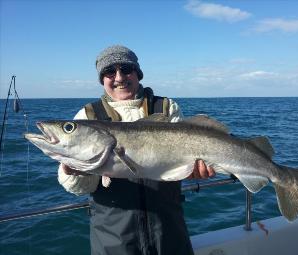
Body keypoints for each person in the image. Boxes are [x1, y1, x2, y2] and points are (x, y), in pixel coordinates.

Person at [58, 45, 215, 255]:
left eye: (126, 69)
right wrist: (73, 172)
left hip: (169, 233)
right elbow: (79, 188)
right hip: (114, 240)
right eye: (109, 72)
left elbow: (180, 163)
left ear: (138, 73)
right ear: (102, 79)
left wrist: (193, 171)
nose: (119, 77)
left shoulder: (167, 108)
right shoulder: (87, 117)